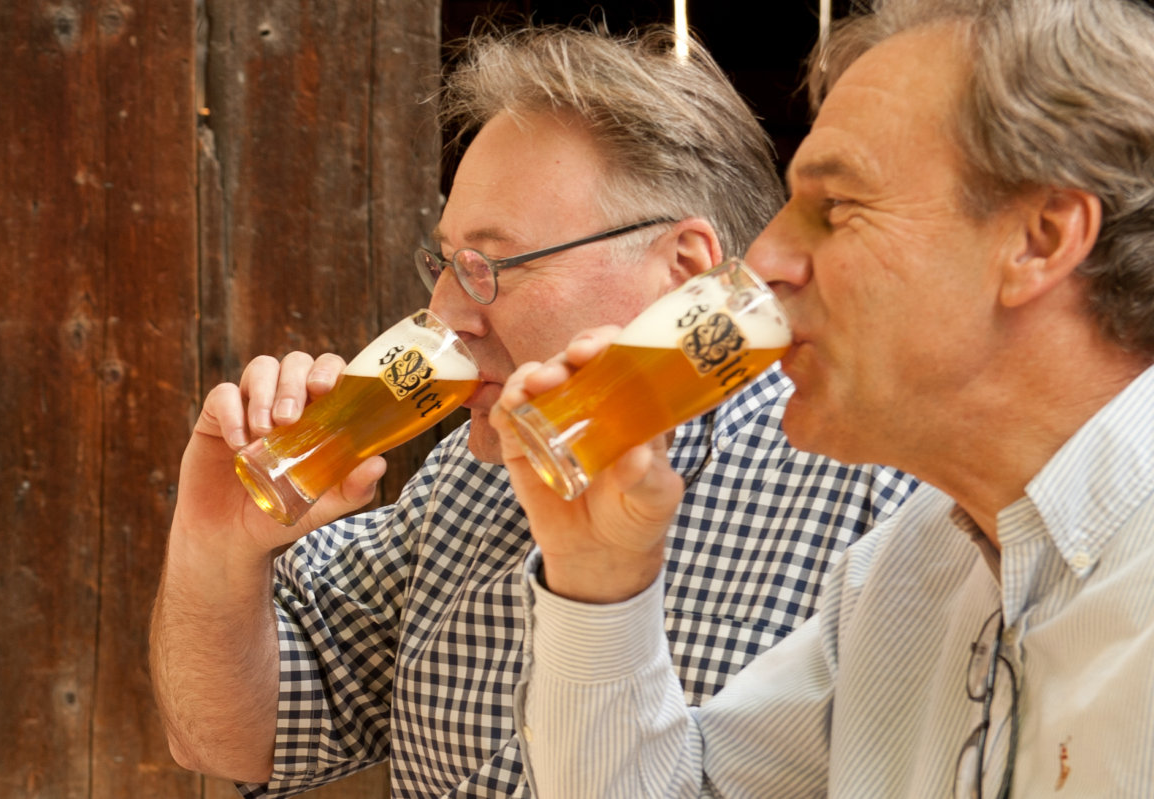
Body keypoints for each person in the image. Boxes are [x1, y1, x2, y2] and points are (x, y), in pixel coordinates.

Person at [149, 23, 917, 799]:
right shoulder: (467, 477)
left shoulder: (875, 496)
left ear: (684, 269)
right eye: (445, 262)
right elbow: (233, 737)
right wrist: (213, 547)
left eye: (489, 265)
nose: (447, 314)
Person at [495, 0, 1154, 796]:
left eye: (835, 208)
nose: (764, 258)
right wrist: (600, 574)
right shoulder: (910, 567)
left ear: (1038, 239)